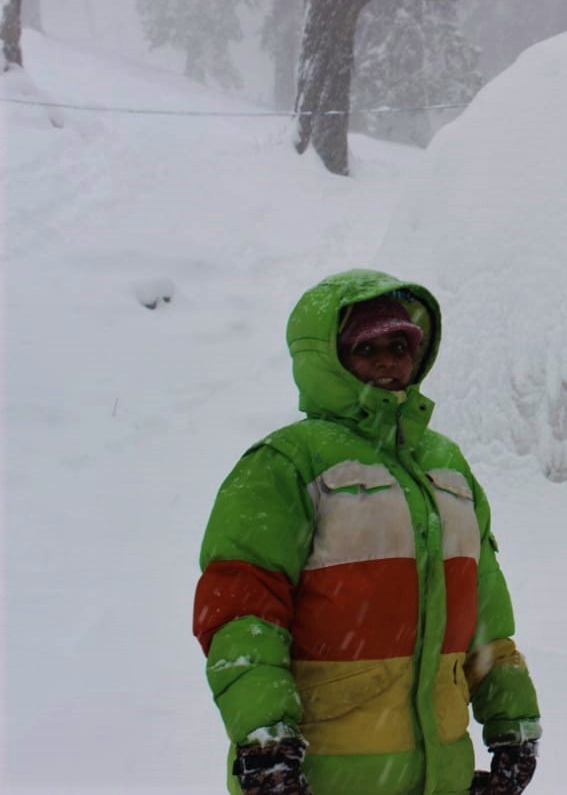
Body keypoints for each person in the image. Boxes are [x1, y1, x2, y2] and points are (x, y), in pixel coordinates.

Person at [193, 270, 541, 795]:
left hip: (438, 776)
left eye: (399, 344)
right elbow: (243, 614)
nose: (387, 360)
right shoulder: (287, 463)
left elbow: (484, 612)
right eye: (366, 346)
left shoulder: (446, 467)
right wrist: (265, 739)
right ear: (327, 357)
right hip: (324, 777)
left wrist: (514, 722)